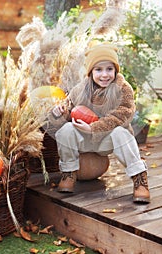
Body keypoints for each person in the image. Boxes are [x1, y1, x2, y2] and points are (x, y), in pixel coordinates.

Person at [52, 42, 150, 203]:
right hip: (86, 141)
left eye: (109, 69)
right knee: (65, 130)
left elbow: (122, 115)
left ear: (115, 70)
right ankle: (69, 173)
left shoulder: (123, 89)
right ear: (91, 71)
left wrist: (93, 127)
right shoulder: (81, 88)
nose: (104, 75)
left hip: (107, 141)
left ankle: (139, 179)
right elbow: (70, 108)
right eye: (98, 69)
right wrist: (61, 113)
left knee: (121, 132)